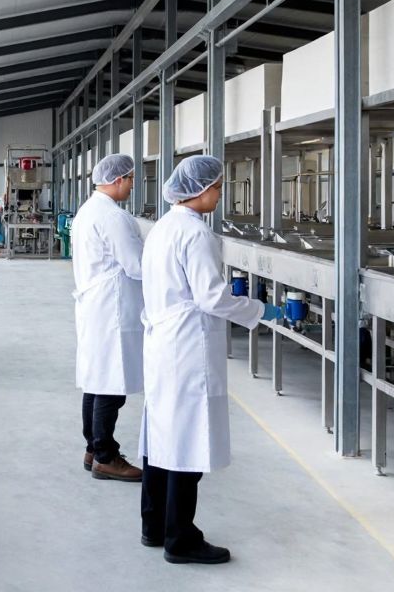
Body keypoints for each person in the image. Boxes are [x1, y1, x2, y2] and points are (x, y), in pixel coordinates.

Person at [138, 156, 281, 565]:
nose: (220, 193)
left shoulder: (164, 228)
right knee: (186, 442)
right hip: (187, 347)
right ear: (200, 190)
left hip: (165, 342)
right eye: (218, 187)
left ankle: (153, 525)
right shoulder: (196, 234)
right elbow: (212, 297)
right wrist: (258, 310)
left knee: (162, 436)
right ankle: (181, 539)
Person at [70, 153, 145, 482]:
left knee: (96, 379)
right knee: (111, 385)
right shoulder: (113, 217)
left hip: (96, 305)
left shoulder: (88, 211)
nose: (131, 185)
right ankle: (105, 455)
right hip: (111, 307)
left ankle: (92, 447)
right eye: (130, 179)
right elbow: (136, 265)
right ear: (118, 180)